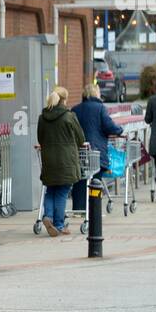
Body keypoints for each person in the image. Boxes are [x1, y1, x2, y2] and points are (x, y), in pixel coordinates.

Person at [37, 87, 86, 237]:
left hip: (49, 160)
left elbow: (40, 139)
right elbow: (81, 138)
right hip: (66, 160)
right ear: (64, 100)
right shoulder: (69, 116)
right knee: (62, 191)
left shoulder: (42, 117)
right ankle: (58, 225)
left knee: (51, 190)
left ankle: (48, 217)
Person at [70, 83, 124, 212]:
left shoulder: (75, 109)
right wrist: (119, 130)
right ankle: (94, 210)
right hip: (95, 152)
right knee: (95, 180)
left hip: (79, 151)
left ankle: (79, 209)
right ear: (96, 93)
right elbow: (109, 126)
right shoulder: (100, 108)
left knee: (80, 180)